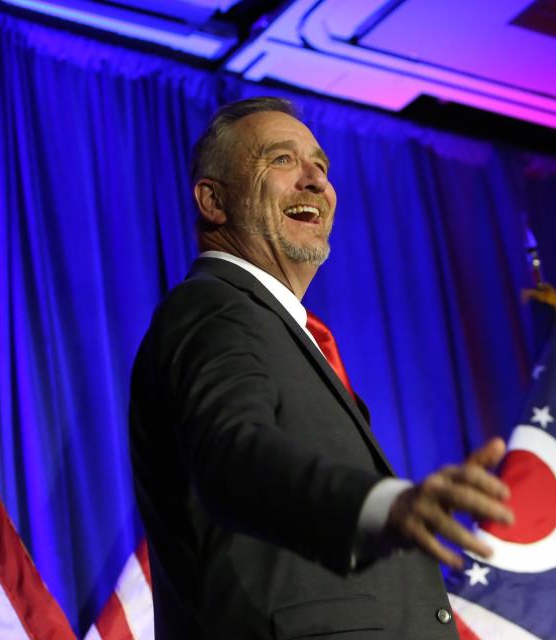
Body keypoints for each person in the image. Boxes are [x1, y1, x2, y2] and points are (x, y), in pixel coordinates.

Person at [129, 97, 514, 640]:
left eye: (321, 166)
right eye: (281, 160)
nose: (315, 181)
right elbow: (231, 455)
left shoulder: (293, 337)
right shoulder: (213, 307)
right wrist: (379, 507)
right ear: (213, 201)